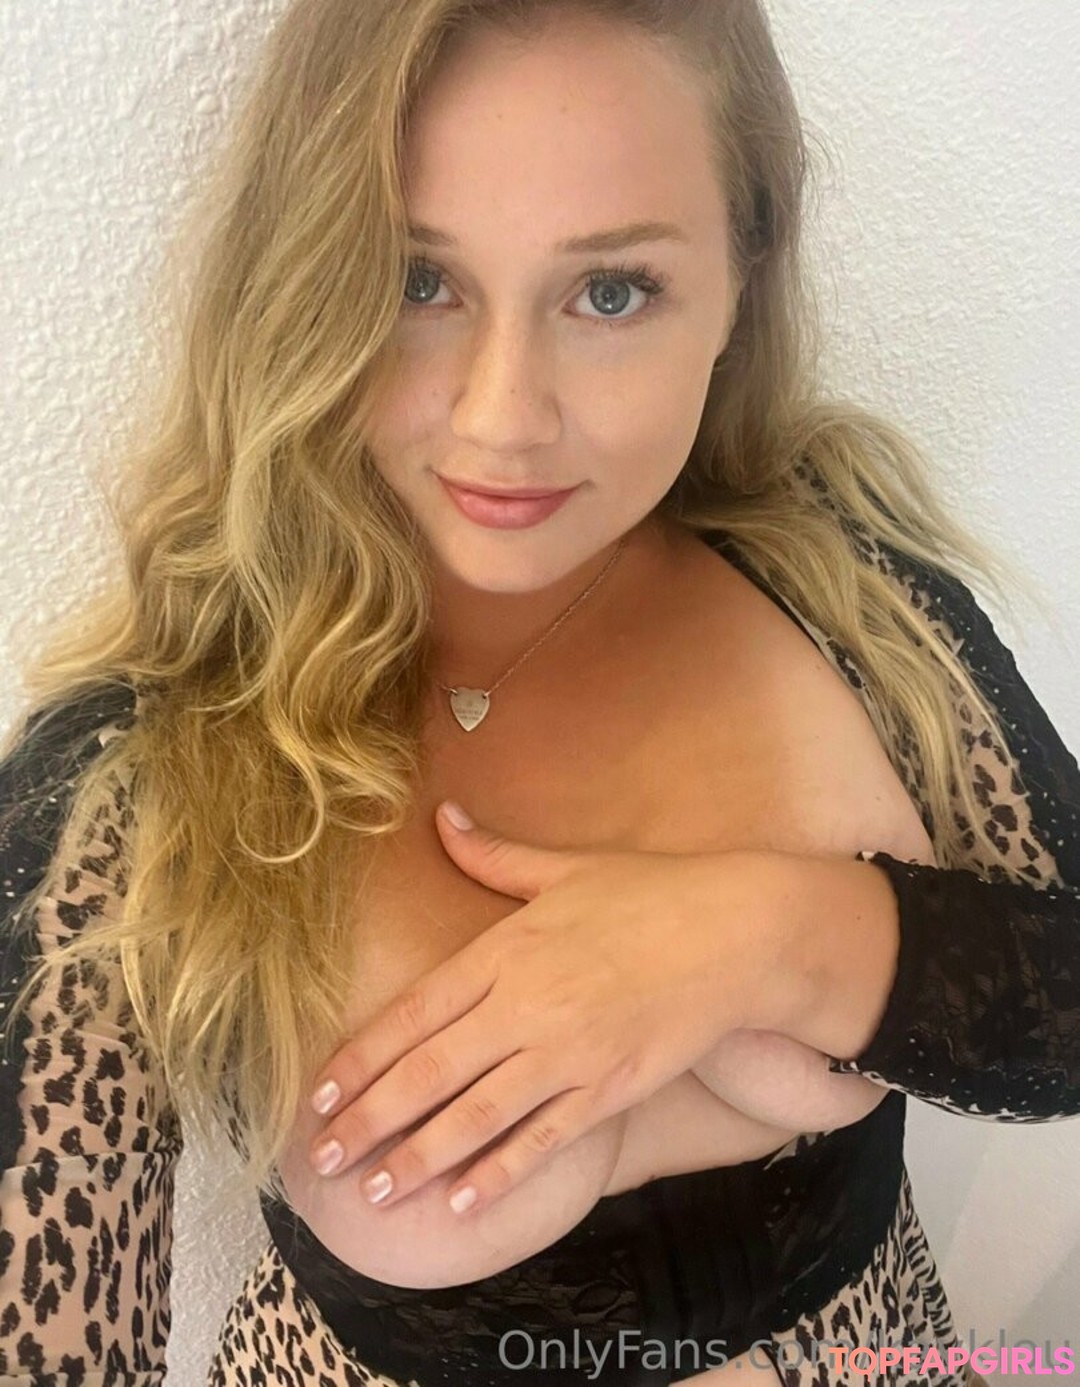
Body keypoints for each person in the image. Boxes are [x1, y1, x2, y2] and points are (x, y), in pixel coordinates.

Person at [0, 1, 1077, 1384]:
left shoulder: (848, 592)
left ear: (742, 277)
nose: (503, 415)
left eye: (610, 292)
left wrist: (758, 938)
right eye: (416, 281)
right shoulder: (142, 786)